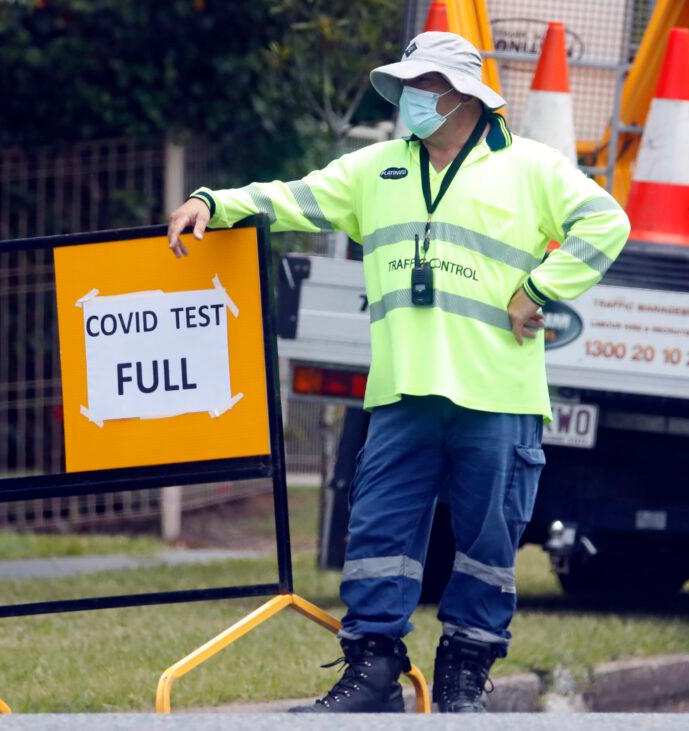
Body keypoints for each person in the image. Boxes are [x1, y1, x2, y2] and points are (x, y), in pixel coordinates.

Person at [167, 31, 630, 713]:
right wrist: (215, 201)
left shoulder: (532, 167)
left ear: (465, 97)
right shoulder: (374, 169)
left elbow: (605, 221)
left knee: (486, 542)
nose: (414, 98)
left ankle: (464, 675)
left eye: (428, 87)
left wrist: (540, 289)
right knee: (378, 532)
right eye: (409, 86)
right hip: (402, 390)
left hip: (497, 391)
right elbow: (291, 197)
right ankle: (374, 670)